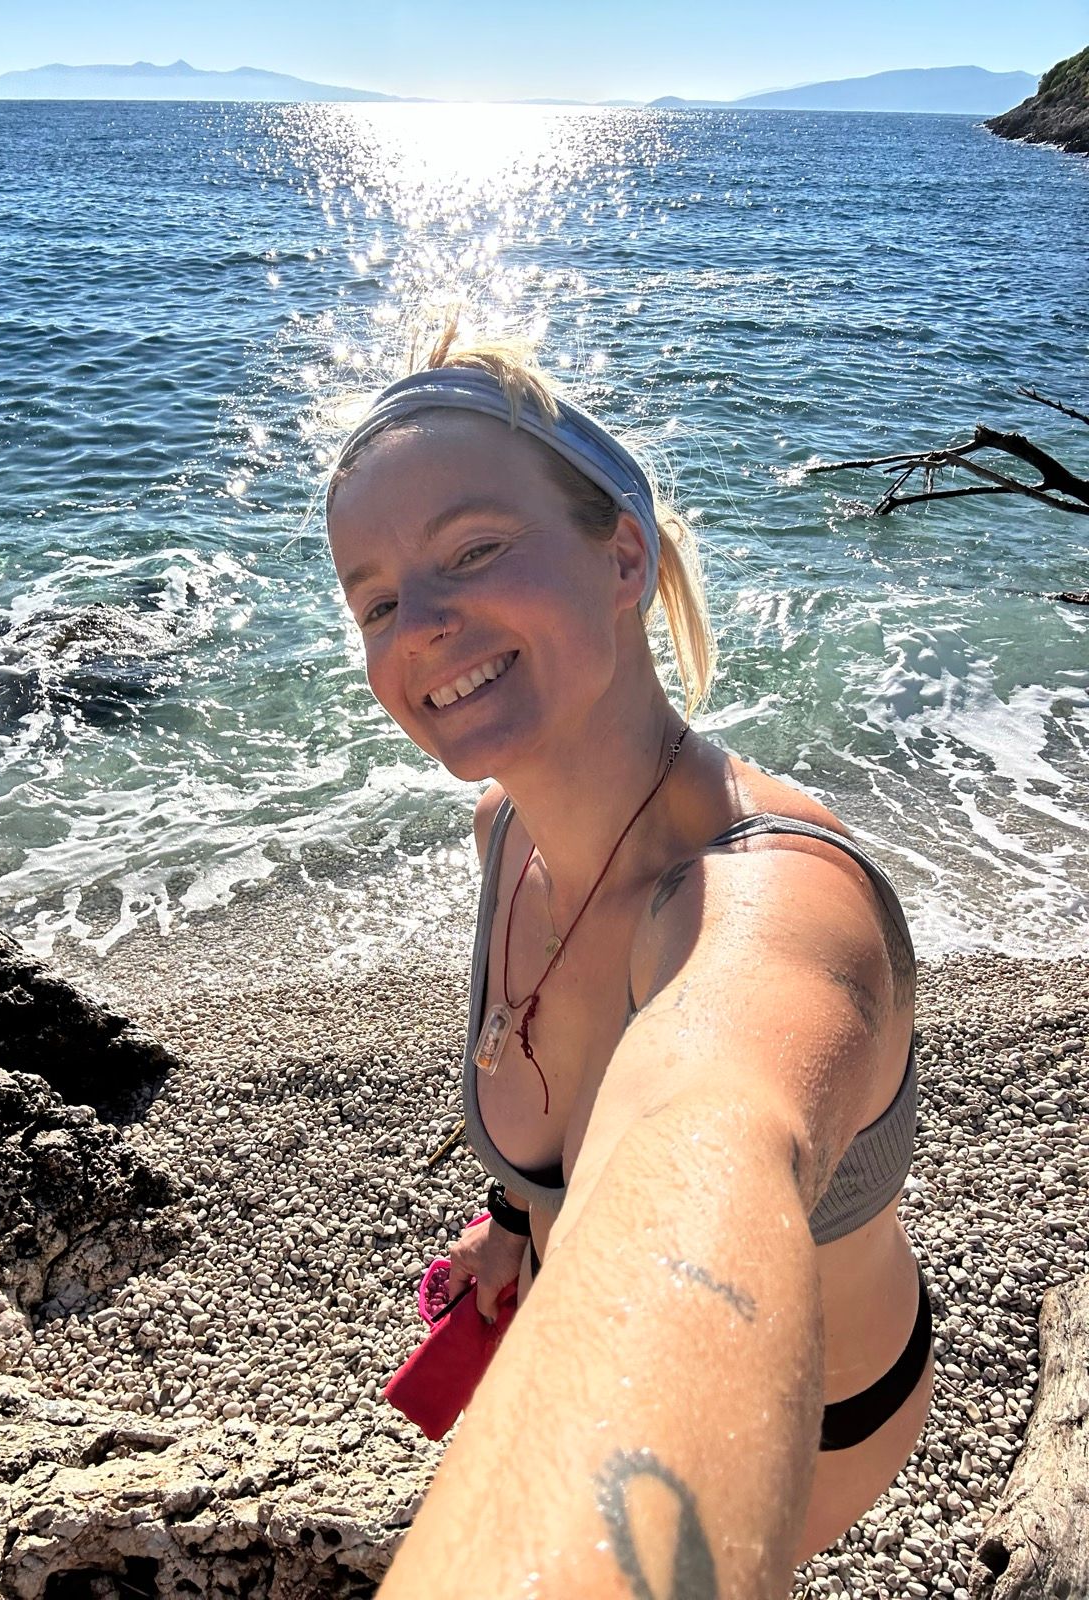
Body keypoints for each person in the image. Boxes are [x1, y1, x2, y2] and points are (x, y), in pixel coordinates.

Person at [325, 319, 934, 1599]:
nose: (418, 623)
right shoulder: (505, 831)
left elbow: (708, 1133)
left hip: (809, 1431)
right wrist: (513, 1222)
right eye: (375, 600)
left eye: (473, 550)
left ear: (623, 556)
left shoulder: (772, 901)